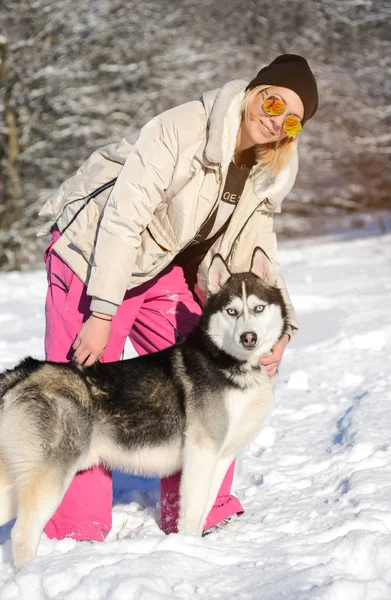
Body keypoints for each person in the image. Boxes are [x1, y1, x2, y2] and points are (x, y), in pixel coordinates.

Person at [38, 54, 318, 541]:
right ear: (254, 90)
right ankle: (75, 526)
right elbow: (122, 219)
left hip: (162, 264)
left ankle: (199, 509)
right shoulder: (183, 129)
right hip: (94, 255)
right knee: (79, 383)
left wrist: (283, 327)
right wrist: (102, 311)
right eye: (274, 101)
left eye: (291, 118)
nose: (276, 119)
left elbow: (258, 251)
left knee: (216, 361)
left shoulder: (269, 168)